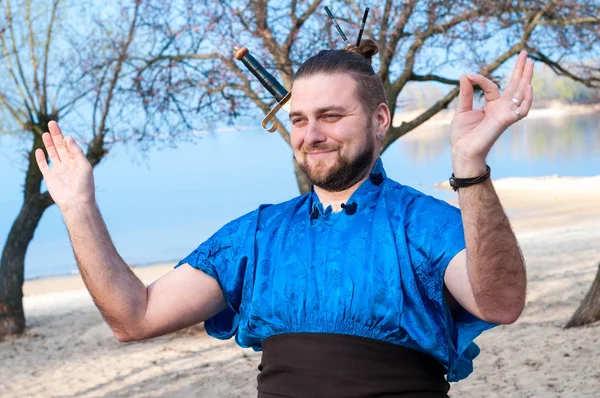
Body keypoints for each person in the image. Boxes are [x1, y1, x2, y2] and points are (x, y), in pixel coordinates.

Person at [36, 40, 531, 397]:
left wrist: (470, 168)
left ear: (380, 120)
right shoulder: (257, 236)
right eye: (298, 119)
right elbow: (134, 317)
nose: (311, 133)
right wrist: (79, 208)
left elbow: (501, 303)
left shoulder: (422, 224)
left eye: (331, 116)